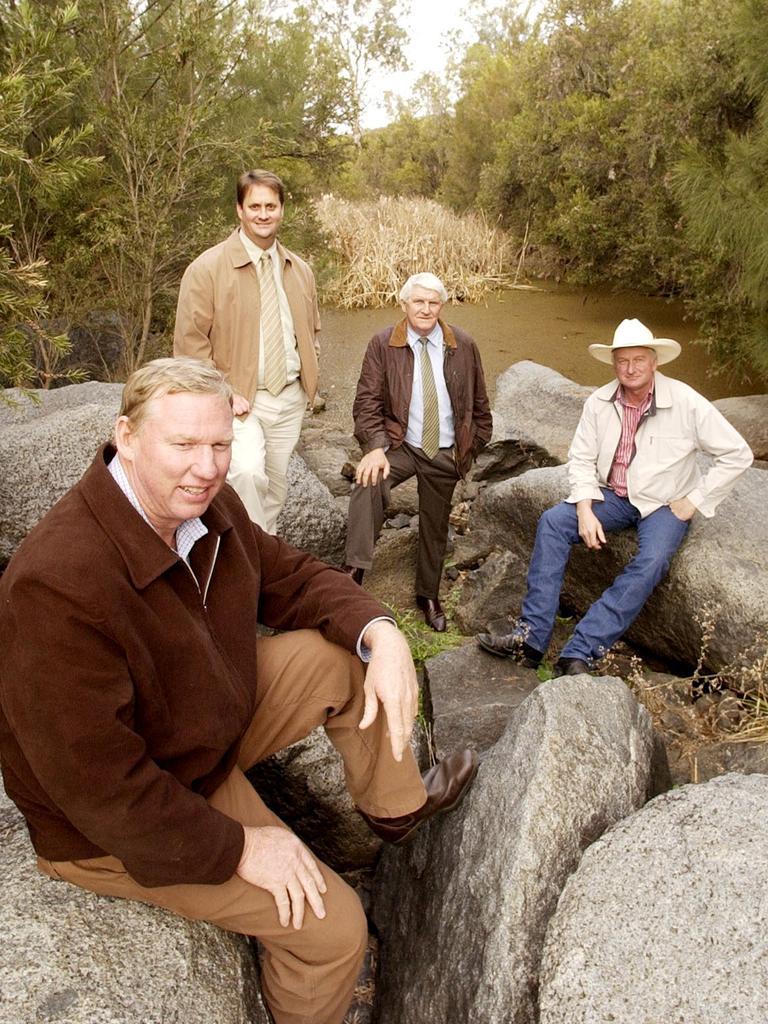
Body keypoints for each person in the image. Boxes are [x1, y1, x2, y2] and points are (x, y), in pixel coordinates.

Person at [0, 358, 477, 1024]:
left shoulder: (204, 504)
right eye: (184, 445)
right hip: (118, 821)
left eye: (220, 444)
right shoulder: (57, 584)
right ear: (126, 437)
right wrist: (244, 845)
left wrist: (383, 633)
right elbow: (102, 791)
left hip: (196, 725)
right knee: (335, 933)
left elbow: (292, 577)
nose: (207, 466)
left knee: (342, 655)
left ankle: (395, 810)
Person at [476, 318, 753, 676]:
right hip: (614, 497)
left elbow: (737, 453)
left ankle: (582, 649)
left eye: (639, 360)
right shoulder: (598, 402)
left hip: (664, 505)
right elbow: (581, 458)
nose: (630, 368)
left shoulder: (685, 401)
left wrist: (694, 500)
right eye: (622, 360)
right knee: (553, 522)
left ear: (654, 362)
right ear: (613, 363)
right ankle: (530, 639)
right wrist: (585, 506)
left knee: (653, 561)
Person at [341, 273, 492, 632]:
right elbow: (366, 403)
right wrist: (375, 447)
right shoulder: (383, 344)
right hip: (400, 444)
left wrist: (469, 448)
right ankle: (354, 571)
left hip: (444, 451)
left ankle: (428, 595)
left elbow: (481, 405)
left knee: (435, 525)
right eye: (419, 302)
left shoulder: (463, 344)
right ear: (404, 303)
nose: (426, 309)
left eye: (433, 302)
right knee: (368, 481)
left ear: (442, 306)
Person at [174, 169, 320, 534]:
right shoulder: (207, 269)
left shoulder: (299, 269)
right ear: (239, 210)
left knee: (276, 486)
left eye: (271, 205)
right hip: (238, 399)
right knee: (246, 472)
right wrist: (222, 392)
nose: (263, 213)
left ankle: (260, 556)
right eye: (254, 205)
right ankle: (250, 563)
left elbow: (312, 329)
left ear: (282, 210)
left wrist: (308, 378)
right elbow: (189, 345)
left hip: (289, 398)